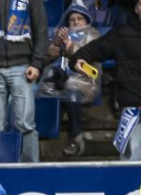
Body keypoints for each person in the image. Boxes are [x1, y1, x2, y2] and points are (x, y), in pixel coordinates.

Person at [71, 0, 141, 161]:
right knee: (129, 160)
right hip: (133, 106)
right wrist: (78, 58)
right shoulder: (120, 34)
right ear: (135, 9)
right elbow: (96, 48)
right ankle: (129, 187)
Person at [0, 0, 48, 163]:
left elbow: (41, 30)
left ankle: (30, 170)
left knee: (26, 125)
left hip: (22, 68)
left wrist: (37, 63)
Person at [46, 0, 101, 157]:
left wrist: (71, 48)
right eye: (72, 19)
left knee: (70, 89)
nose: (76, 22)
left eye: (79, 18)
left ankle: (75, 137)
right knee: (43, 89)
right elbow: (47, 56)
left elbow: (88, 55)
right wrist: (56, 45)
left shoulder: (93, 34)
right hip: (59, 81)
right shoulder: (61, 33)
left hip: (85, 81)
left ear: (86, 19)